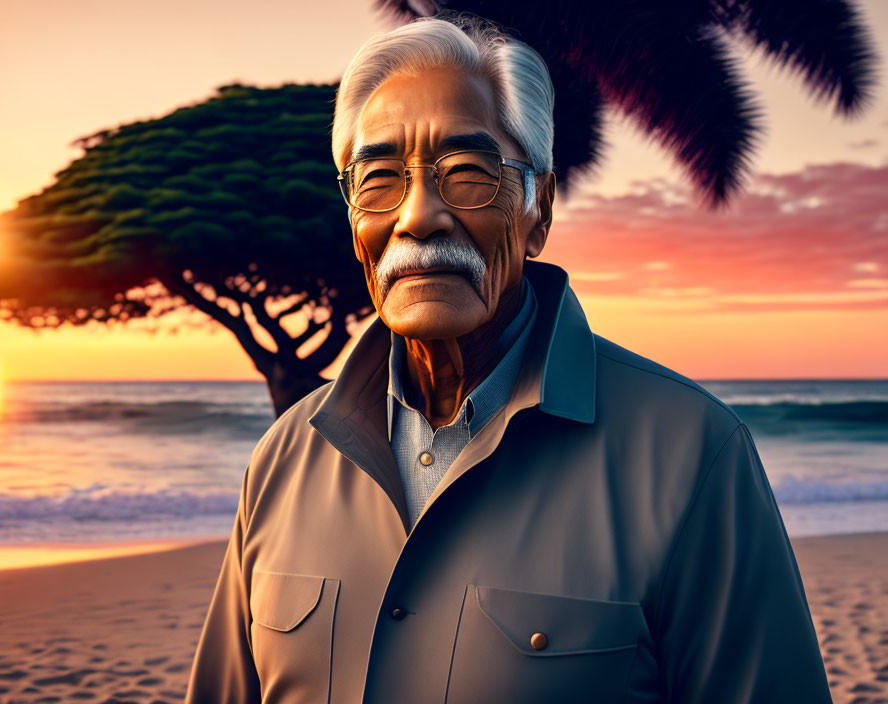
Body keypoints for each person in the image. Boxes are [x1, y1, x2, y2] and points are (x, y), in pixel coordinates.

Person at [185, 14, 832, 703]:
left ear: (540, 211)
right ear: (353, 221)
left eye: (467, 173)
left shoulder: (693, 456)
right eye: (378, 179)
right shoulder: (282, 462)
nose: (417, 216)